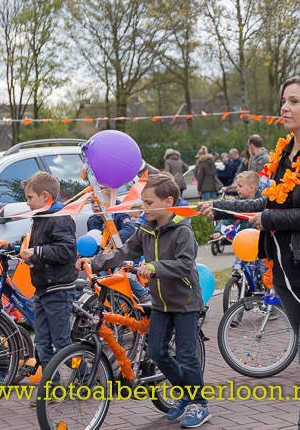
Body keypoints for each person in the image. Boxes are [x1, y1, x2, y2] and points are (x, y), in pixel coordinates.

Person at [198, 75, 300, 430]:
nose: (284, 107)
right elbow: (272, 200)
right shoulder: (287, 152)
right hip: (288, 272)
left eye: (294, 101)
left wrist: (267, 218)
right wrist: (224, 207)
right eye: (284, 101)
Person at [88, 172, 210, 427]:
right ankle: (187, 395)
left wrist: (154, 268)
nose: (144, 208)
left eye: (149, 203)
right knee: (156, 351)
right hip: (160, 303)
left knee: (187, 354)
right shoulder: (146, 228)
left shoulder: (182, 231)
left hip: (185, 302)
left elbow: (185, 265)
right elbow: (124, 252)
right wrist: (93, 262)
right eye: (143, 202)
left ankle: (200, 404)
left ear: (168, 201)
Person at [17, 172, 77, 404]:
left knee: (61, 341)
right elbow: (34, 245)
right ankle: (52, 387)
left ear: (45, 196)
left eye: (30, 197)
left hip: (59, 289)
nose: (27, 202)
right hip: (43, 288)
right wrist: (20, 250)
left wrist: (38, 252)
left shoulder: (60, 218)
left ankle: (85, 377)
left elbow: (66, 251)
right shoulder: (40, 216)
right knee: (41, 341)